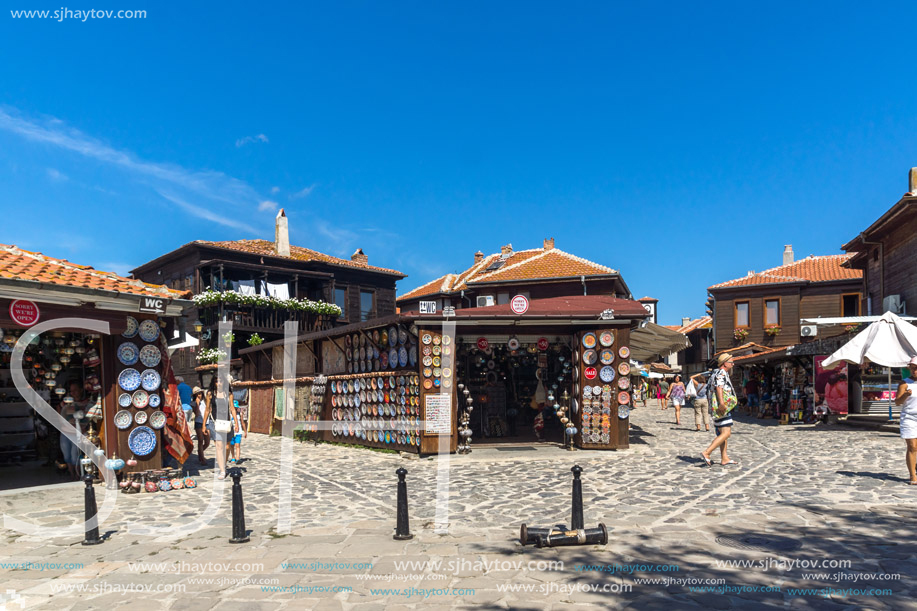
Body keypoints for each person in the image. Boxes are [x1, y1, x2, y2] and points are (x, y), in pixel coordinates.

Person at [701, 353, 739, 467]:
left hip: (715, 406)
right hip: (721, 406)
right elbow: (719, 387)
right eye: (731, 362)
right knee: (726, 433)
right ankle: (707, 452)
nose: (733, 363)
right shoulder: (721, 373)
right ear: (725, 363)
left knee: (722, 432)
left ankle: (724, 457)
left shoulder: (715, 372)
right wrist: (722, 403)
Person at [202, 376, 238, 479]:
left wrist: (236, 422)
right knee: (219, 446)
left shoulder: (229, 394)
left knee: (227, 447)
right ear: (214, 383)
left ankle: (224, 463)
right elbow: (207, 410)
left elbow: (232, 408)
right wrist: (204, 425)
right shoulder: (210, 394)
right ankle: (222, 470)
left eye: (220, 381)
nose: (219, 383)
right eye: (216, 381)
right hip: (214, 422)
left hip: (226, 422)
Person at [58, 380, 90, 479]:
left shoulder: (87, 402)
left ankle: (77, 474)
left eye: (75, 390)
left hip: (77, 432)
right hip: (66, 432)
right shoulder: (67, 401)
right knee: (66, 454)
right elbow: (59, 408)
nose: (73, 393)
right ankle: (72, 474)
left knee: (74, 454)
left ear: (81, 390)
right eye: (71, 391)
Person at [895, 356, 917, 485]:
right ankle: (912, 475)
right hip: (909, 417)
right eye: (913, 368)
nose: (914, 371)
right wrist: (905, 395)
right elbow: (897, 402)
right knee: (912, 446)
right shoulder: (904, 383)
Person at [192, 386, 210, 464]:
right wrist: (197, 403)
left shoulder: (205, 401)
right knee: (200, 440)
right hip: (198, 422)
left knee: (207, 441)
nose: (199, 395)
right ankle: (202, 458)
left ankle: (200, 451)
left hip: (206, 422)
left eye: (200, 393)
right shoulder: (193, 403)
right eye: (197, 394)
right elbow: (197, 413)